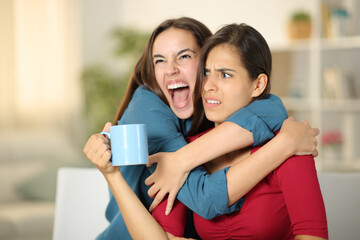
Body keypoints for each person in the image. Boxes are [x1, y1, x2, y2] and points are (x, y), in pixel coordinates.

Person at [83, 17, 319, 239]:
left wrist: (181, 160)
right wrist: (284, 145)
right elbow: (204, 199)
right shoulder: (148, 108)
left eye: (184, 56)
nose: (171, 69)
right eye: (159, 60)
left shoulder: (210, 110)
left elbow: (271, 107)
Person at [150, 23, 328, 239]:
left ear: (258, 85)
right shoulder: (186, 152)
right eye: (206, 73)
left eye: (225, 75)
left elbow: (312, 235)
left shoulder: (292, 149)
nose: (208, 86)